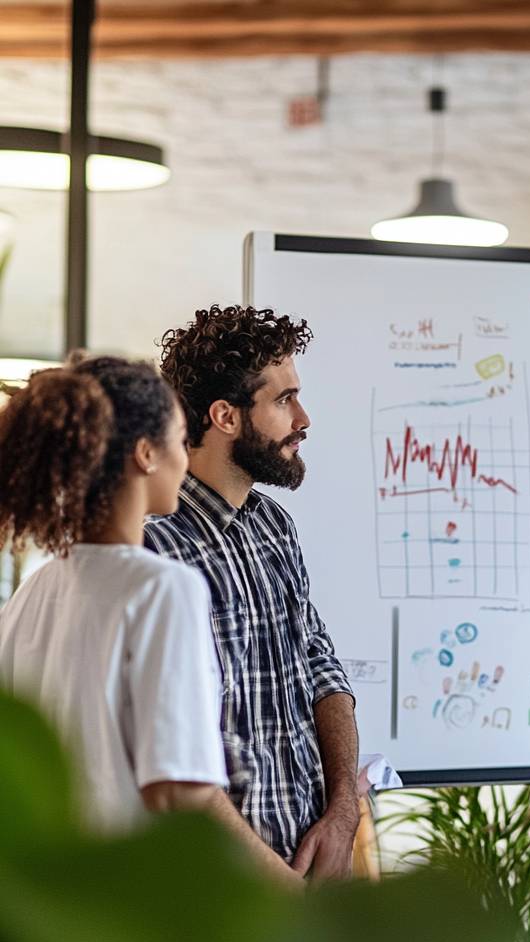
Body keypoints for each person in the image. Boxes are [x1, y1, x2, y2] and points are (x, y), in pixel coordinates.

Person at [0, 356, 301, 891]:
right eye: (180, 440)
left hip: (59, 910)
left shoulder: (30, 595)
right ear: (145, 454)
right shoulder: (164, 586)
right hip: (153, 918)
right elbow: (179, 794)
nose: (185, 460)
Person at [144, 305, 359, 880]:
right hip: (219, 890)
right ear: (226, 416)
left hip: (315, 866)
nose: (304, 417)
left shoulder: (274, 526)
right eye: (284, 400)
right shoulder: (150, 547)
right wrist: (271, 880)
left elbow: (322, 670)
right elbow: (162, 746)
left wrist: (342, 816)